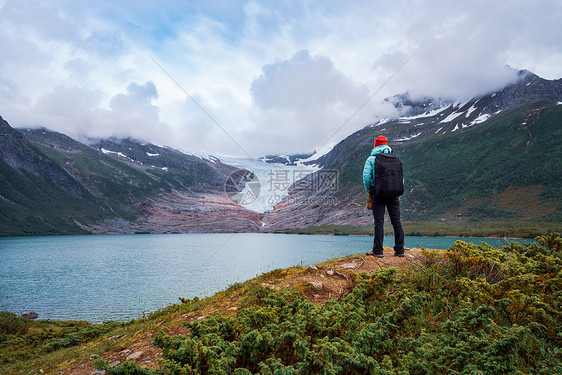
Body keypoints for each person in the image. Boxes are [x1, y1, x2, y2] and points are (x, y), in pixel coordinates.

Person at [362, 135, 405, 257]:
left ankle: (378, 251)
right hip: (394, 195)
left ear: (375, 145)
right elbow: (401, 178)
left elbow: (366, 178)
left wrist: (370, 191)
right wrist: (397, 191)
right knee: (396, 221)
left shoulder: (372, 159)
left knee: (379, 222)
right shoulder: (395, 158)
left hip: (378, 193)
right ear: (386, 144)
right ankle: (400, 249)